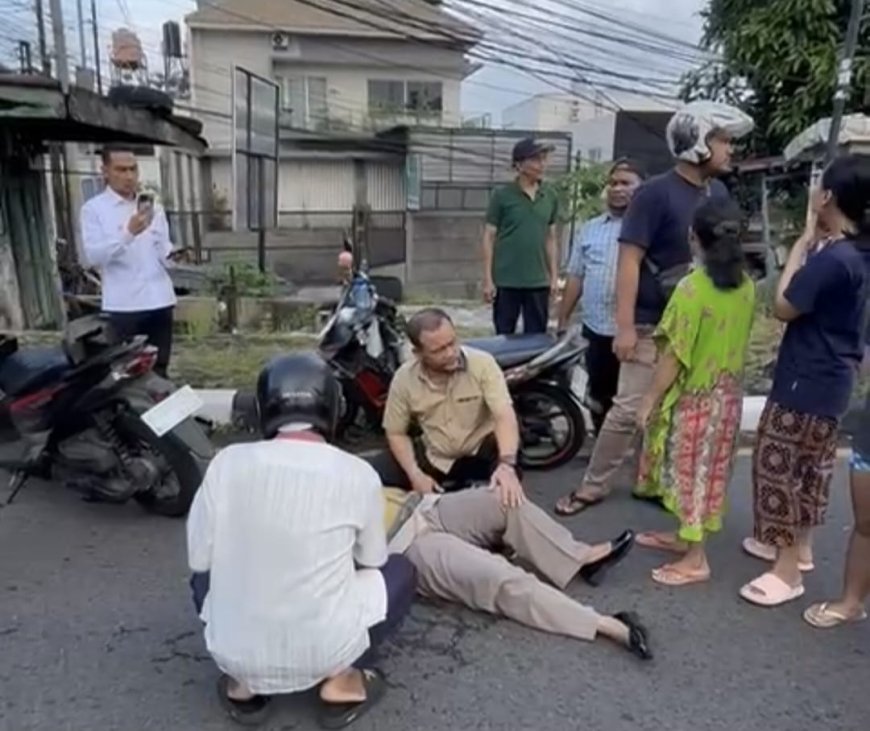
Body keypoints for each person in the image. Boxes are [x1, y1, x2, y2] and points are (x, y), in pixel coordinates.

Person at [187, 353, 417, 728]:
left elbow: (200, 561)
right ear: (333, 408)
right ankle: (341, 680)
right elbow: (373, 558)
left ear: (265, 408)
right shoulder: (357, 473)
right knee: (399, 569)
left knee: (203, 579)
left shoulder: (225, 463)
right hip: (326, 649)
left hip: (233, 653)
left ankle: (243, 683)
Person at [554, 101, 754, 516]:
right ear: (697, 142)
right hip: (651, 322)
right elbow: (628, 260)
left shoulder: (717, 192)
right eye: (723, 140)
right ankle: (591, 487)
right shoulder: (654, 193)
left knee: (676, 408)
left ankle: (652, 482)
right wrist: (624, 327)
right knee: (627, 409)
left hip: (698, 324)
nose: (730, 149)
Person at [741, 154, 870, 608]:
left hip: (806, 378)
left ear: (829, 196)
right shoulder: (854, 253)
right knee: (810, 469)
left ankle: (786, 569)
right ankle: (802, 548)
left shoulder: (834, 257)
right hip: (832, 378)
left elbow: (783, 305)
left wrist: (798, 247)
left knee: (777, 468)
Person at [631, 197, 755, 585]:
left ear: (692, 237)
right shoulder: (747, 286)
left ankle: (696, 558)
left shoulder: (690, 289)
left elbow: (673, 356)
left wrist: (648, 400)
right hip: (727, 400)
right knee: (709, 472)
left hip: (693, 402)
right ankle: (685, 538)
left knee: (689, 474)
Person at [382, 485, 650, 659]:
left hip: (423, 505)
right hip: (404, 545)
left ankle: (582, 559)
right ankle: (607, 624)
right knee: (498, 576)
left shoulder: (346, 467)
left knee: (506, 498)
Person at [367, 308, 524, 503]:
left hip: (481, 450)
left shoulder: (483, 364)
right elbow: (396, 432)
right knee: (368, 476)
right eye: (438, 350)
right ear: (418, 353)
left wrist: (506, 465)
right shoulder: (404, 379)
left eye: (452, 343)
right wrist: (415, 475)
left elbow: (504, 415)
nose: (450, 353)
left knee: (507, 493)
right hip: (435, 454)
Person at [557, 159, 646, 433]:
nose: (617, 189)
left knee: (633, 396)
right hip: (597, 329)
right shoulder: (591, 228)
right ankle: (603, 447)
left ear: (642, 189)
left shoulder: (649, 227)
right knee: (600, 394)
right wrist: (562, 319)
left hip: (637, 330)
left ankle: (634, 452)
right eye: (613, 183)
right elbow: (575, 276)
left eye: (626, 183)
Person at [80, 145, 178, 378]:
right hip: (124, 306)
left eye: (133, 169)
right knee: (126, 372)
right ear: (105, 171)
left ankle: (157, 413)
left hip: (160, 300)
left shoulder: (152, 206)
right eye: (121, 170)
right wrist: (128, 233)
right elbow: (93, 256)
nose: (129, 176)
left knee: (159, 370)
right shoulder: (94, 210)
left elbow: (162, 248)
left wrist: (173, 255)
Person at [482, 138, 560, 334]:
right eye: (535, 159)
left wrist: (554, 277)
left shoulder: (550, 195)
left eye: (544, 159)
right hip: (507, 280)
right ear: (518, 165)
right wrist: (488, 279)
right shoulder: (502, 195)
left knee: (536, 336)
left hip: (538, 281)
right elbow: (489, 237)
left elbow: (550, 238)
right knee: (504, 334)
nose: (542, 165)